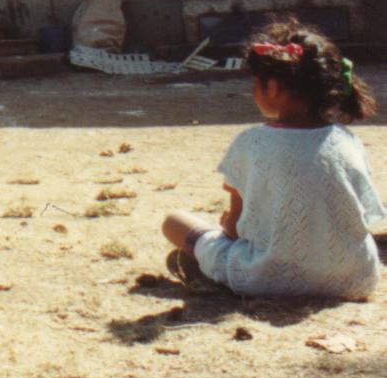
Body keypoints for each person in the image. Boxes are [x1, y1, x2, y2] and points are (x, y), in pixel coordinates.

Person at [161, 20, 384, 300]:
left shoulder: (251, 142)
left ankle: (204, 268)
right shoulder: (347, 140)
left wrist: (227, 226)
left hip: (265, 279)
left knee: (174, 222)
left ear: (274, 87)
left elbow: (235, 229)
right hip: (353, 278)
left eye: (256, 82)